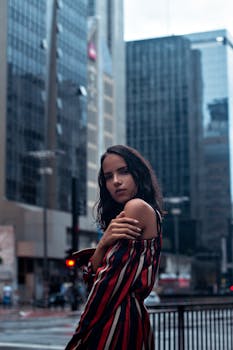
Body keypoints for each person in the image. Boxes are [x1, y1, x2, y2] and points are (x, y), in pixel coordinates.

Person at [65, 145, 163, 350]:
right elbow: (97, 279)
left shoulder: (136, 207)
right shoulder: (134, 212)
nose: (116, 181)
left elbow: (105, 285)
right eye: (108, 177)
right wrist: (102, 245)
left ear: (138, 173)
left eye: (124, 171)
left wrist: (79, 335)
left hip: (115, 324)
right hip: (125, 321)